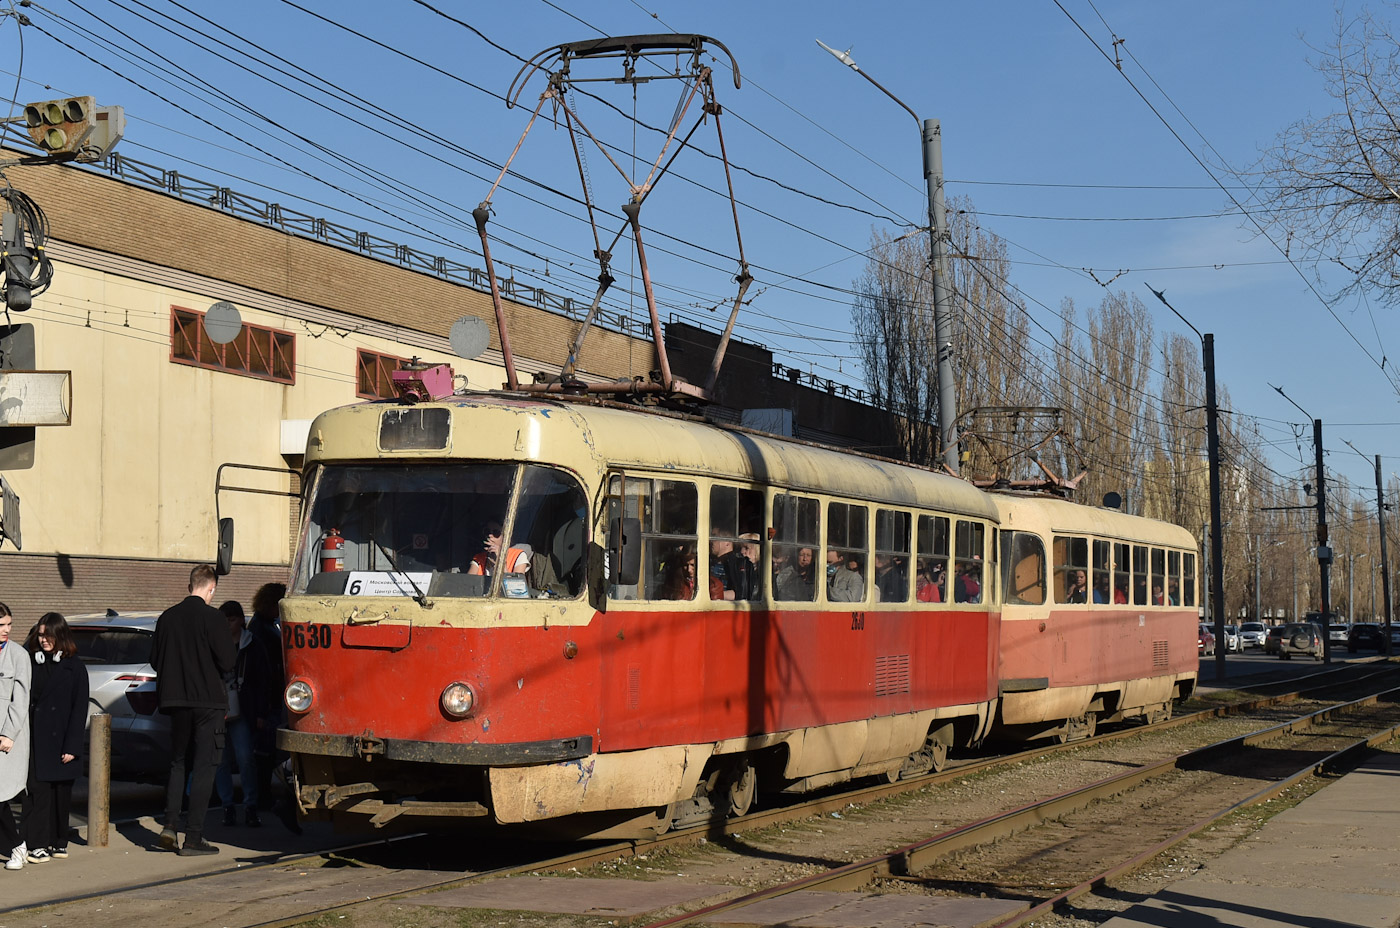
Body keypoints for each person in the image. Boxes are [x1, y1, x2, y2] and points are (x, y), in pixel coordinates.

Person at [153, 564, 236, 857]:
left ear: (190, 586)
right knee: (204, 767)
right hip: (208, 703)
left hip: (175, 702)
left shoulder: (166, 618)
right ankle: (194, 837)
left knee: (177, 763)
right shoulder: (213, 618)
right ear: (211, 589)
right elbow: (228, 662)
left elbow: (154, 660)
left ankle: (169, 825)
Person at [21, 614, 88, 863]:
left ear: (60, 636)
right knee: (38, 794)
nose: (44, 640)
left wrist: (72, 745)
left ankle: (59, 841)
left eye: (48, 635)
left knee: (61, 795)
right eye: (40, 635)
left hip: (62, 741)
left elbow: (79, 708)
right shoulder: (31, 662)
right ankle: (36, 843)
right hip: (37, 740)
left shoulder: (75, 667)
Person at [214, 601, 259, 828]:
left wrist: (260, 712)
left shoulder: (251, 644)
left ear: (240, 620)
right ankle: (227, 806)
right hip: (221, 707)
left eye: (230, 620)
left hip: (242, 708)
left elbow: (262, 680)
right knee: (221, 761)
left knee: (245, 758)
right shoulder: (215, 644)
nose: (227, 625)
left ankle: (250, 805)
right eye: (223, 620)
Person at [245, 583, 286, 817]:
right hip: (268, 699)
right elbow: (266, 671)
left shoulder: (261, 625)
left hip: (268, 697)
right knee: (265, 751)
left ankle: (264, 794)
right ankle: (263, 796)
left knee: (265, 751)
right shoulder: (264, 629)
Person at [0, 603, 31, 871]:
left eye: (9, 624)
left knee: (0, 796)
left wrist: (9, 734)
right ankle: (13, 845)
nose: (7, 630)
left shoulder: (18, 656)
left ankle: (16, 846)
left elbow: (20, 700)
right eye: (1, 625)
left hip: (6, 738)